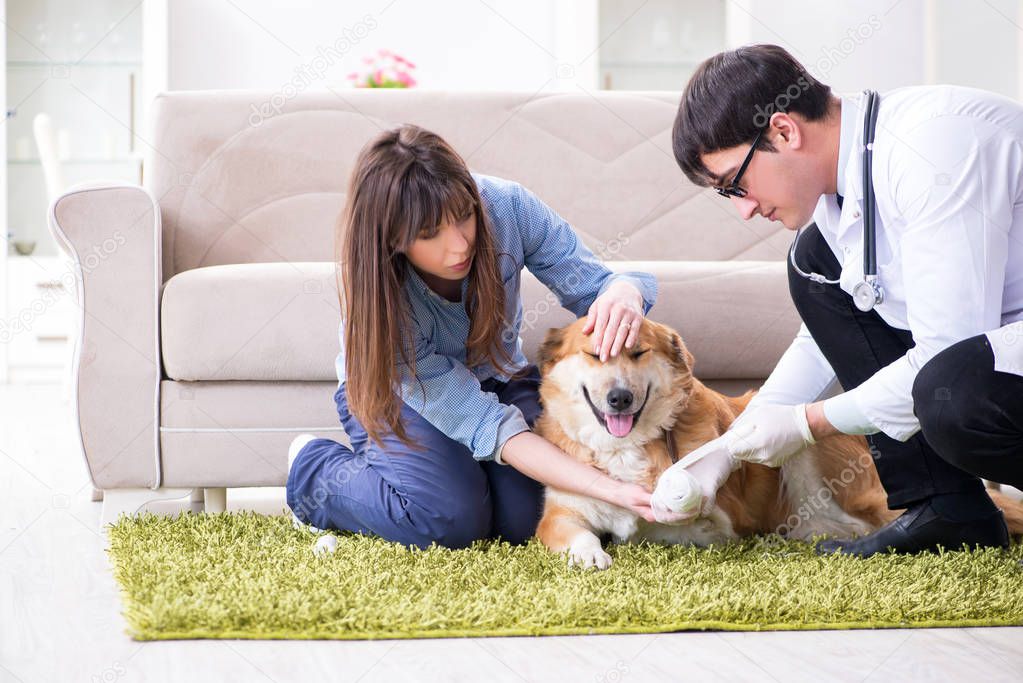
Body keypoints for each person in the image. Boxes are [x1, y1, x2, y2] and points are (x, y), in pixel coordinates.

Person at [652, 44, 1023, 557]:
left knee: (953, 392)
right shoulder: (840, 195)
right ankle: (947, 511)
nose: (744, 210)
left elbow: (946, 350)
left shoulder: (934, 146)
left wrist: (809, 425)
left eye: (734, 184)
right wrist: (728, 449)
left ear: (784, 131)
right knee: (813, 264)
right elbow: (827, 335)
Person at [286, 124, 659, 549]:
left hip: (498, 375)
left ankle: (464, 477)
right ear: (392, 240)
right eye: (429, 234)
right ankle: (312, 470)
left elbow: (595, 286)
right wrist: (609, 490)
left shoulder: (507, 207)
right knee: (452, 521)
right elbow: (485, 424)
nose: (460, 245)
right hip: (395, 394)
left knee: (529, 519)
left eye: (464, 215)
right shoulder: (381, 300)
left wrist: (624, 294)